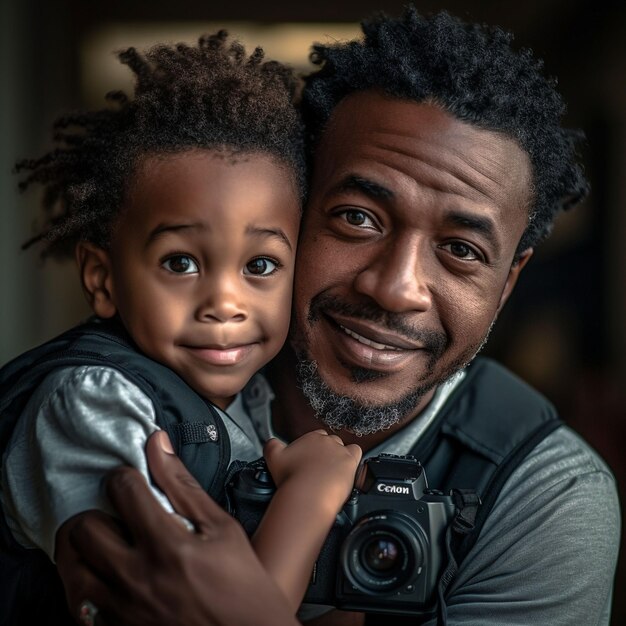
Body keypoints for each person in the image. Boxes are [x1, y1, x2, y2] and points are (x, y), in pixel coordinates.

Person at [50, 7, 626, 626]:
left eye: (462, 250)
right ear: (291, 210)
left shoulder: (546, 496)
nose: (396, 289)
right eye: (358, 217)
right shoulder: (123, 400)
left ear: (508, 281)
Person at [0, 32, 363, 625]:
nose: (224, 301)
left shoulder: (251, 396)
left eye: (261, 265)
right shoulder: (91, 402)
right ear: (102, 278)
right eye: (180, 262)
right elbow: (200, 611)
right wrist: (309, 499)